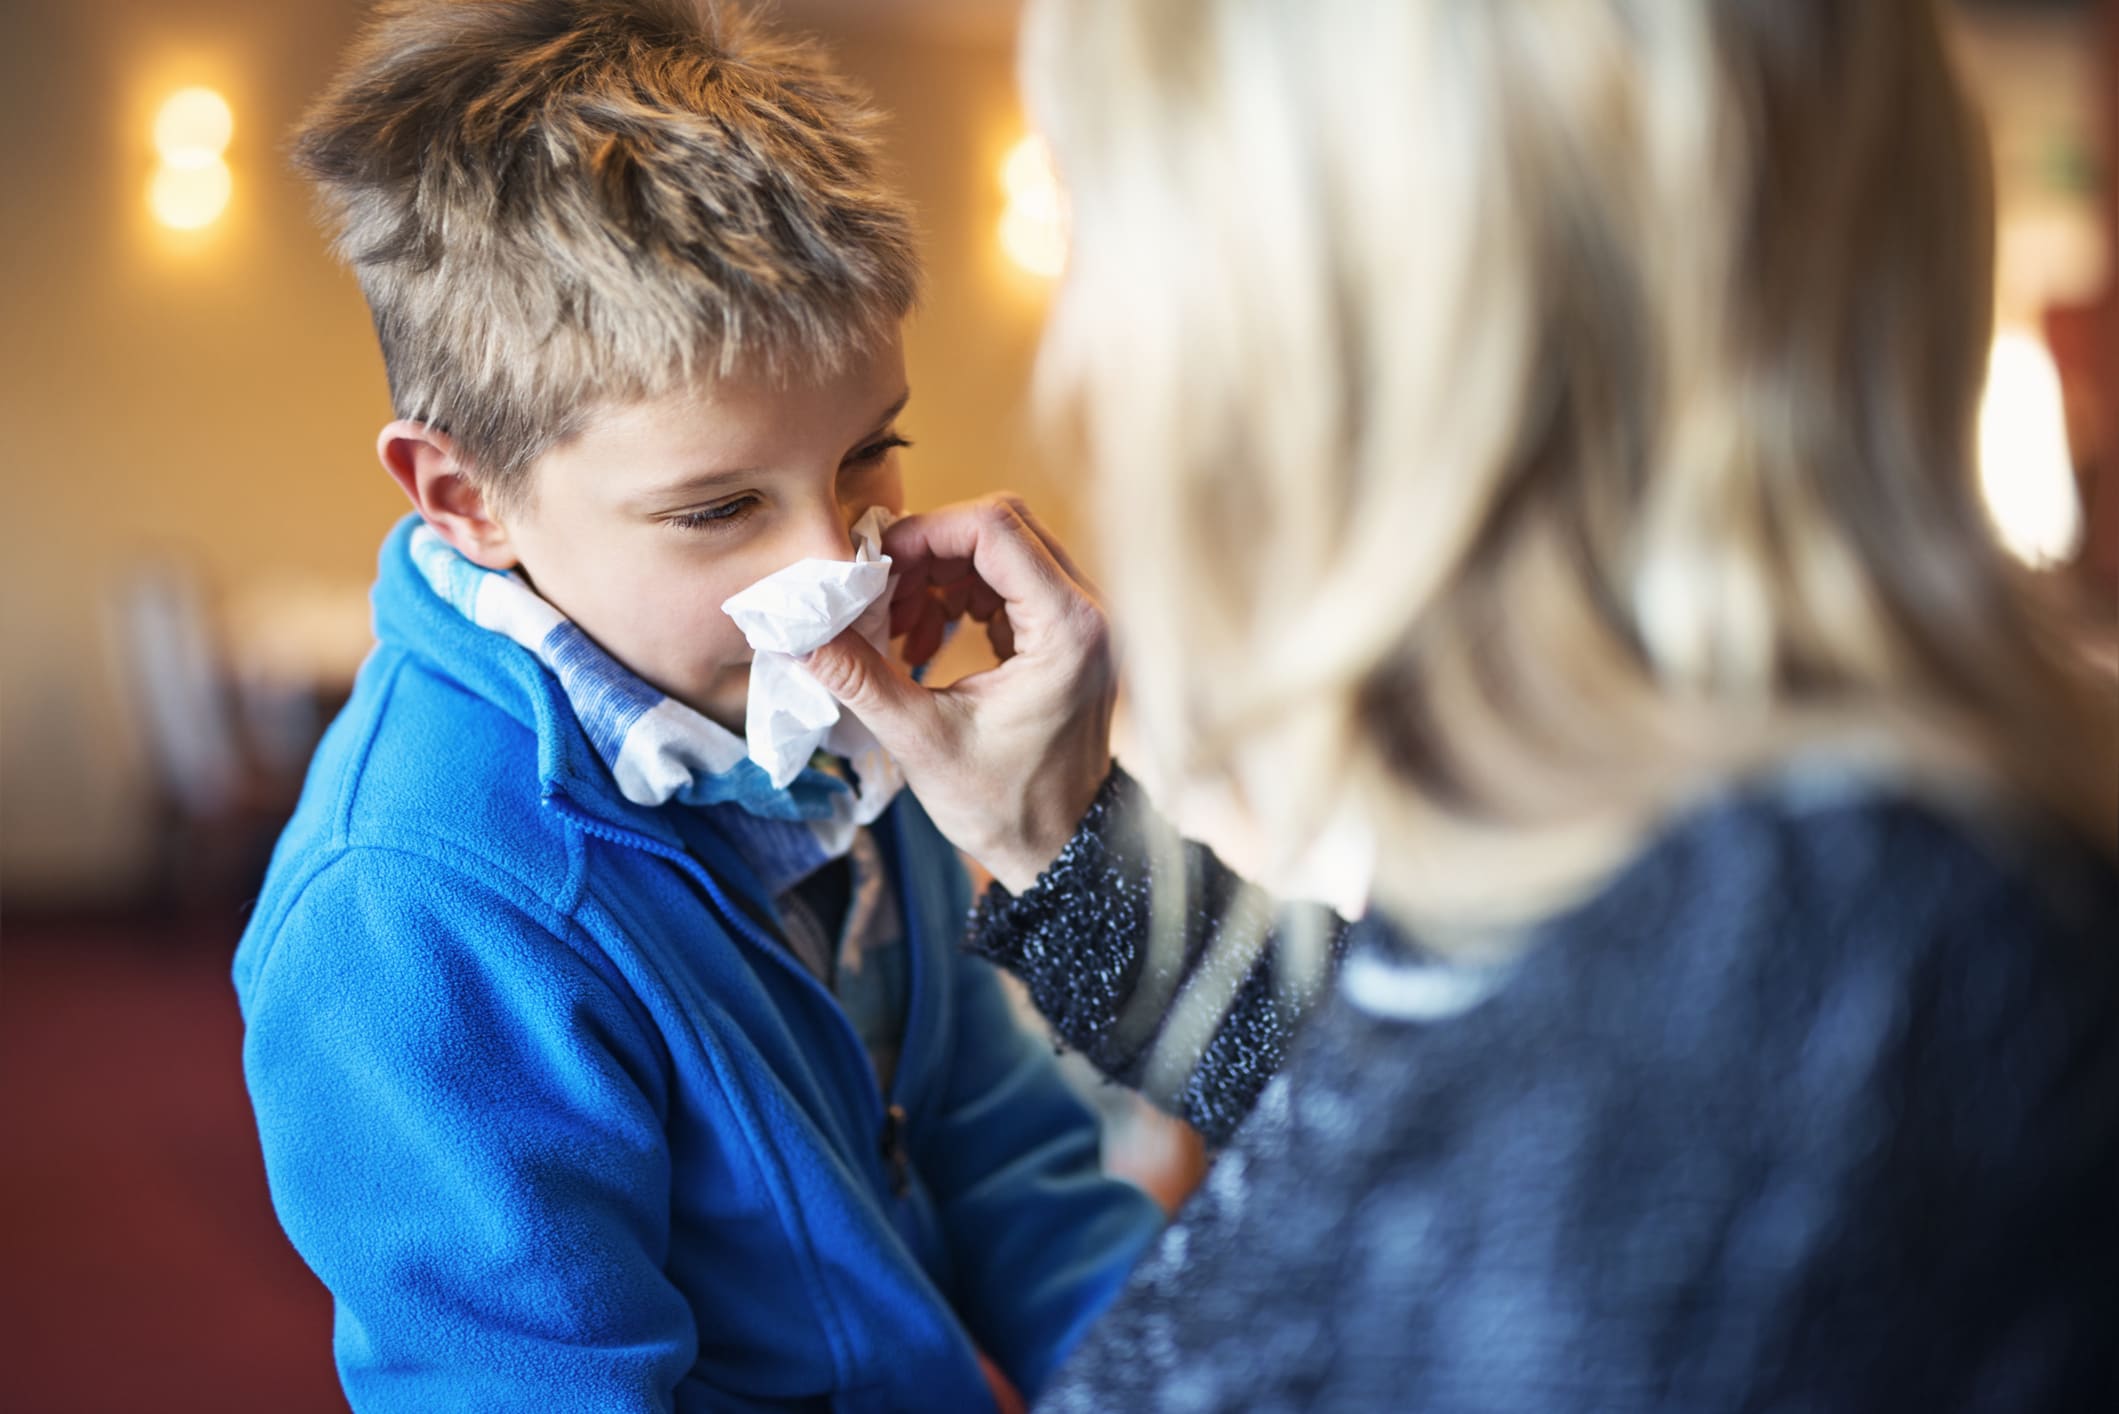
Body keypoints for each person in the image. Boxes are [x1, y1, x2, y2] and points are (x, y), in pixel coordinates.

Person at [803, 0, 2119, 1407]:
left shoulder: (1846, 1003)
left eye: (1110, 236)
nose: (1087, 357)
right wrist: (1063, 838)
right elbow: (1412, 1109)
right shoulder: (1697, 873)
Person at [230, 2, 1162, 1409]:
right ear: (468, 498)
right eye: (719, 506)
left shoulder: (853, 723)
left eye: (869, 456)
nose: (835, 567)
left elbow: (1005, 1147)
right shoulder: (415, 908)